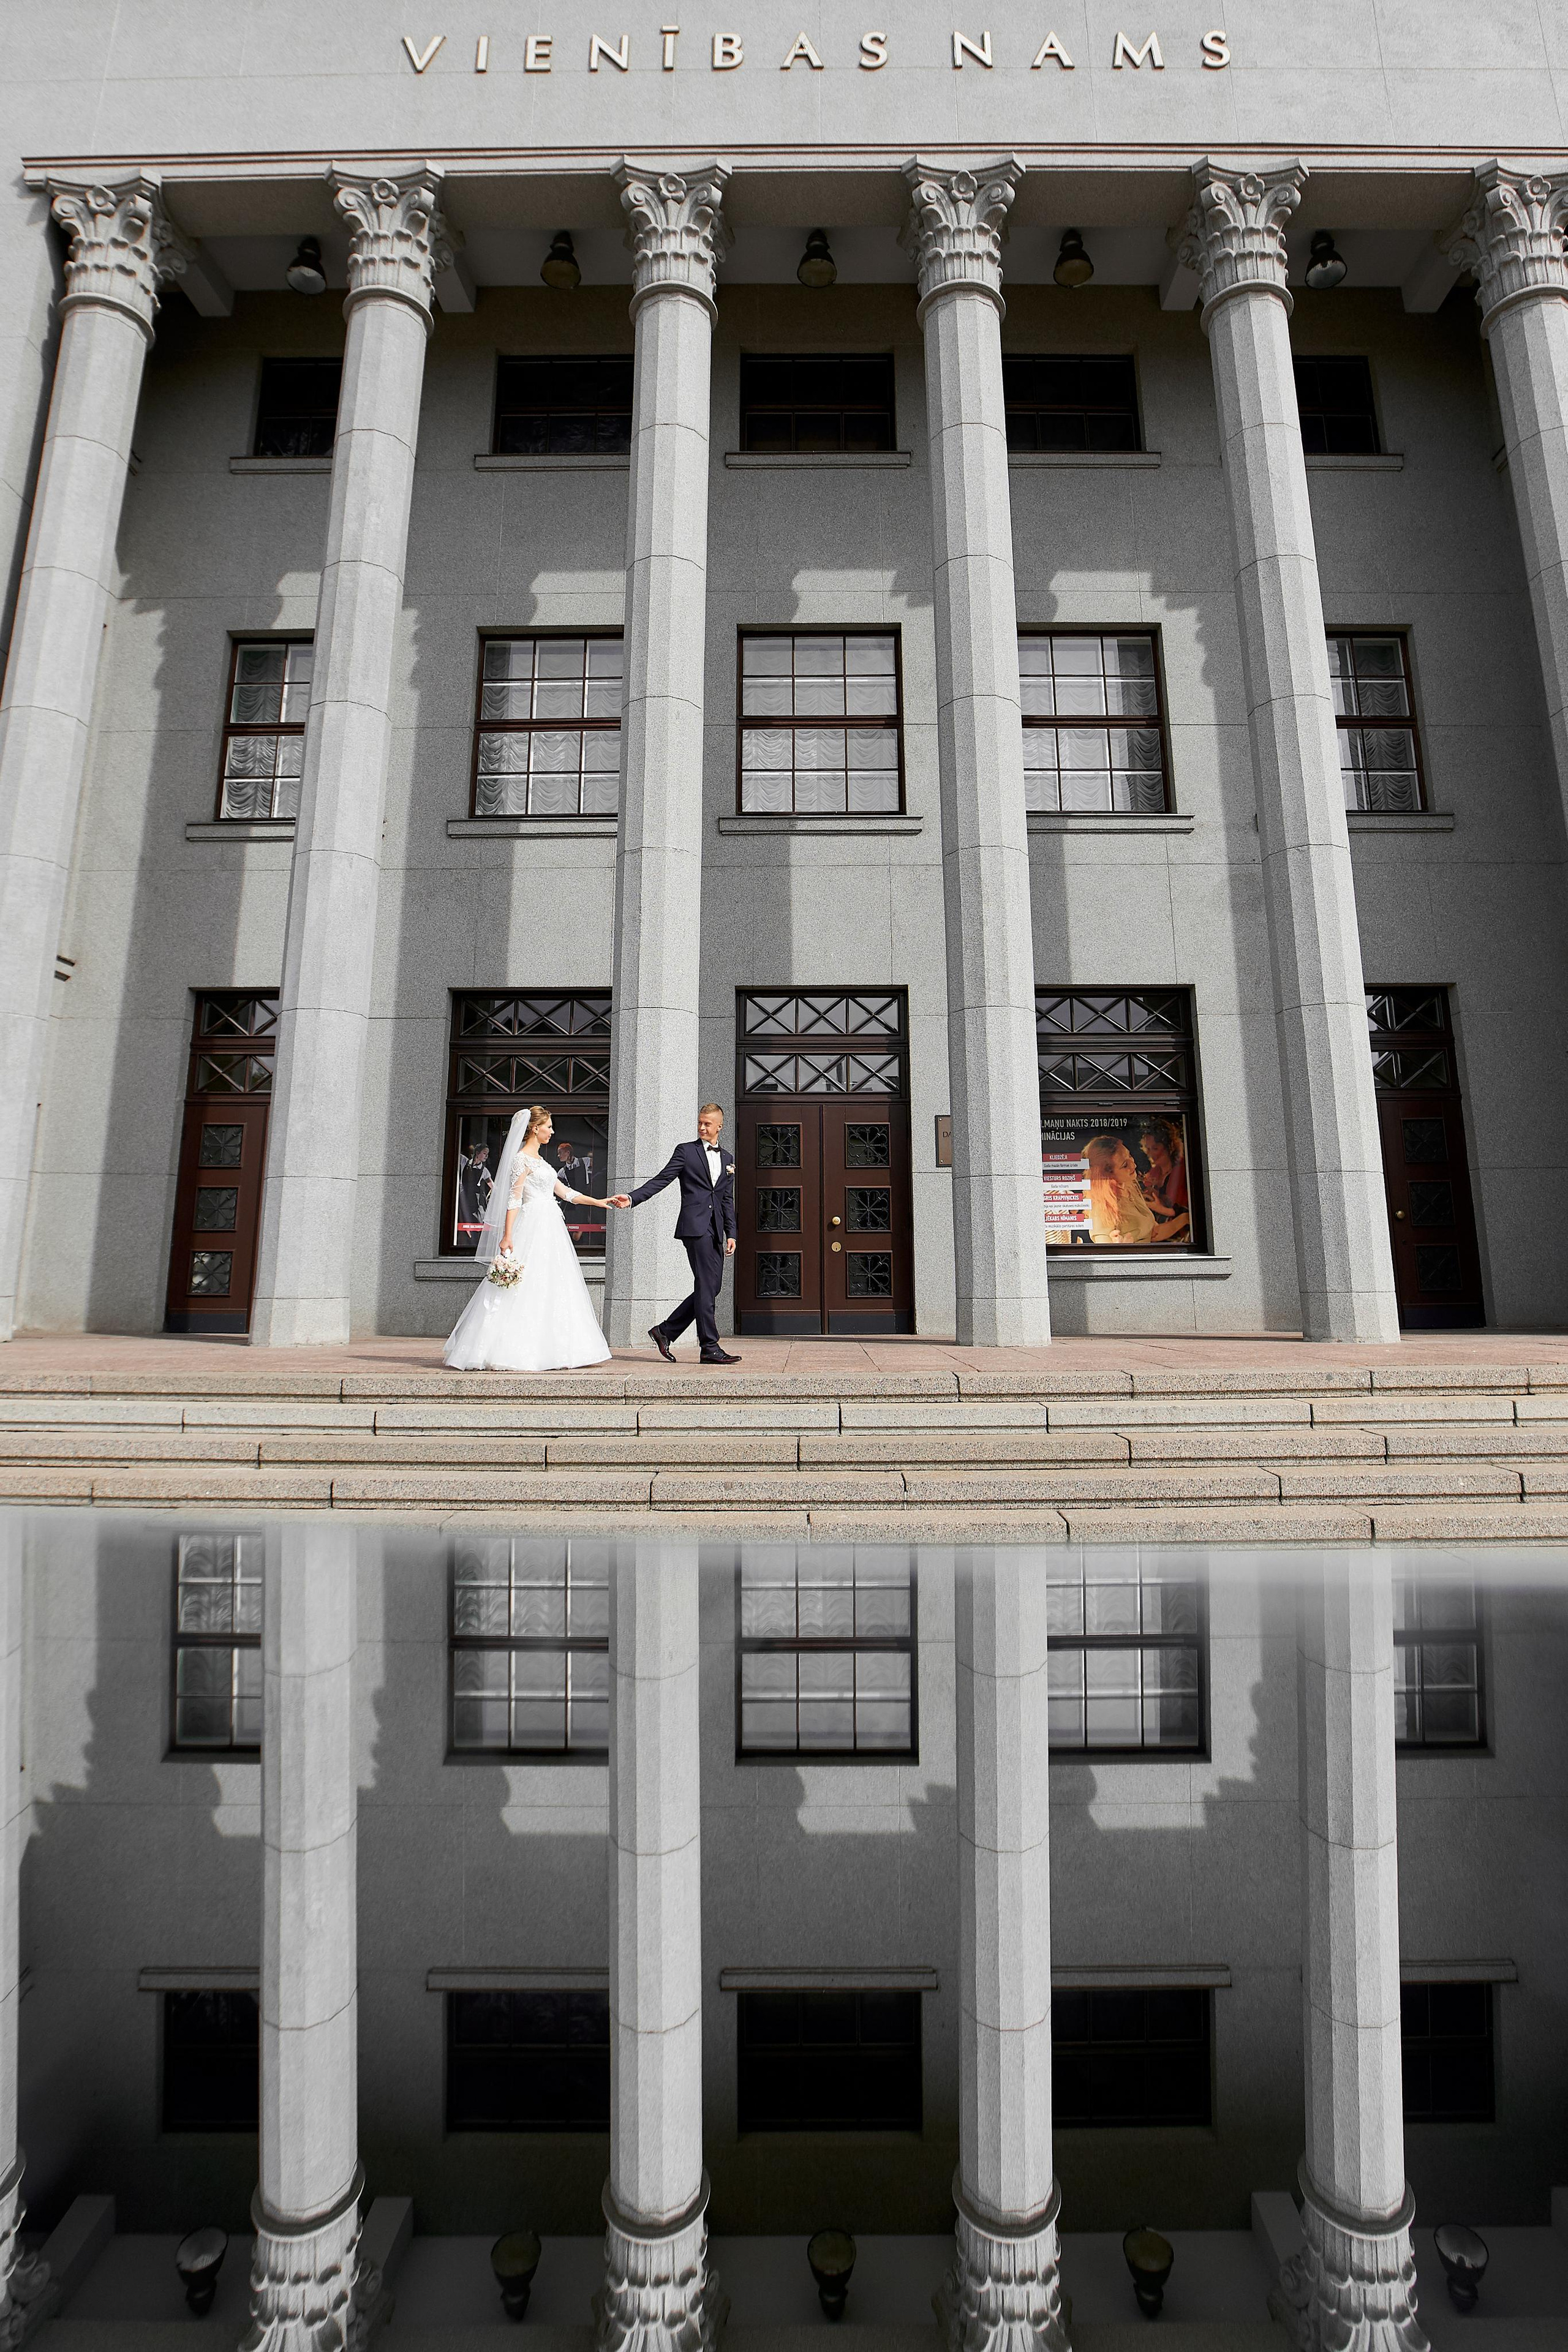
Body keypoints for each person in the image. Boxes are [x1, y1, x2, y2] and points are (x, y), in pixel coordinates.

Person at [444, 1107, 616, 1371]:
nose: (552, 1131)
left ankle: (555, 1349)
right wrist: (508, 1236)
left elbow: (567, 1193)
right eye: (549, 1126)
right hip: (532, 1223)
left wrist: (599, 1202)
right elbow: (514, 1199)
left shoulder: (542, 1162)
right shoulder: (520, 1160)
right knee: (524, 1284)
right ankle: (511, 1349)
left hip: (551, 1226)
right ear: (535, 1128)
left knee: (553, 1282)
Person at [611, 1102, 741, 1365]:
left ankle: (666, 1331)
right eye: (700, 1123)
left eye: (708, 1123)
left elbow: (727, 1198)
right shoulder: (686, 1152)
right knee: (706, 1284)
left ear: (720, 1126)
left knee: (711, 1287)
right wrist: (633, 1198)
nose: (702, 1127)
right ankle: (710, 1347)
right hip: (695, 1227)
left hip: (717, 1229)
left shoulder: (727, 1159)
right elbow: (662, 1179)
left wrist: (731, 1232)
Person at [1085, 1133, 1158, 1246]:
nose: (1133, 1165)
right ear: (1108, 1175)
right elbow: (1106, 1257)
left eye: (1129, 1156)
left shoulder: (1130, 1186)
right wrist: (1121, 1250)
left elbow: (1155, 1233)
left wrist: (1184, 1219)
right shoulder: (1102, 1209)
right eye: (1125, 1165)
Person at [1137, 1116, 1191, 1245]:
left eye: (1155, 1149)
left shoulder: (1183, 1171)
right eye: (1147, 1148)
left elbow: (1185, 1213)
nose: (1150, 1154)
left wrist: (1157, 1207)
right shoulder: (1155, 1172)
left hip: (1178, 1239)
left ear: (1169, 1147)